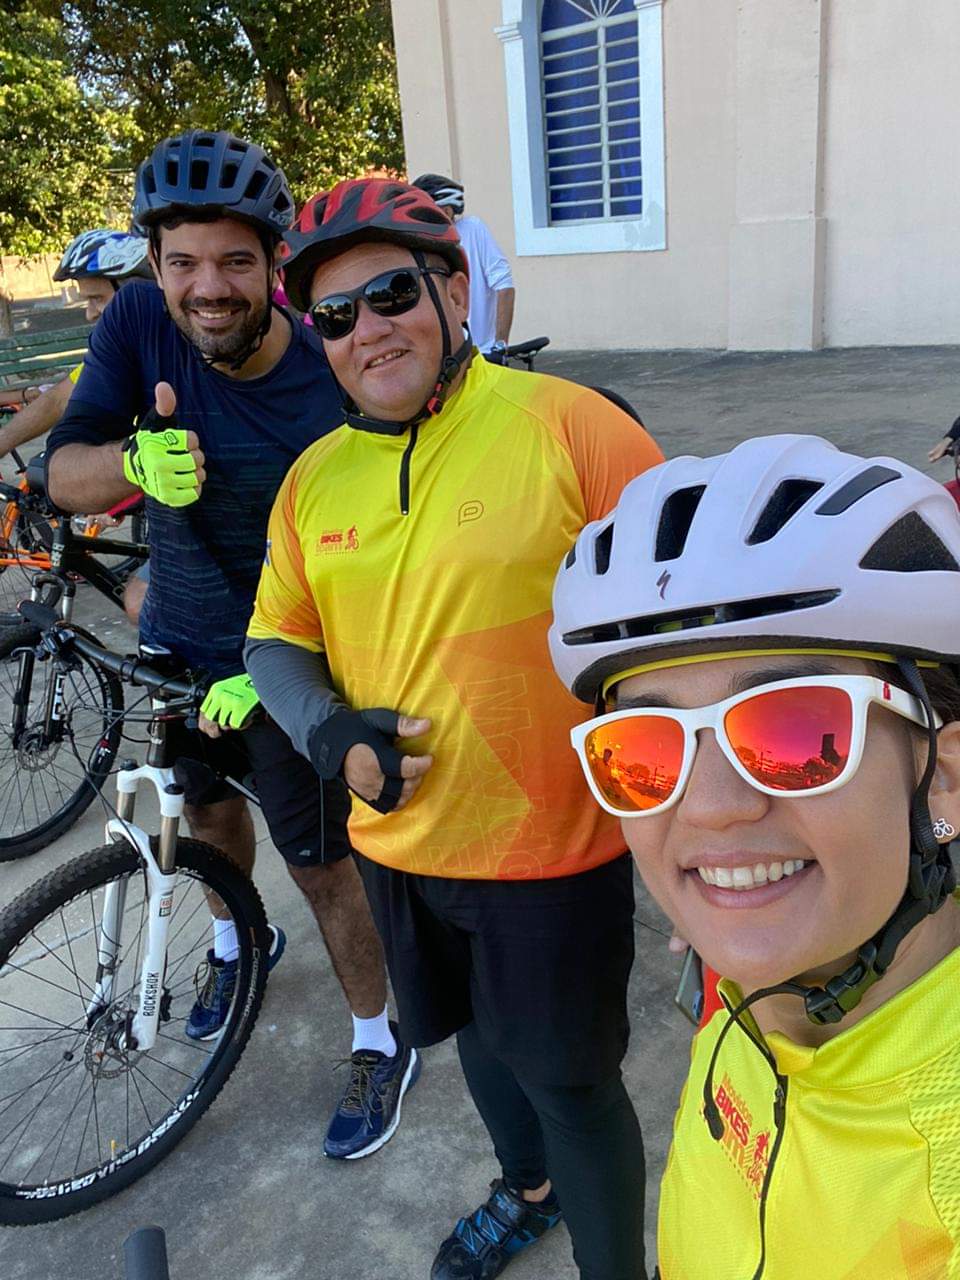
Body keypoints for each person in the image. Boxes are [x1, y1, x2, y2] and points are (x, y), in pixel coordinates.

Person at [245, 177, 664, 1280]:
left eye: (392, 293)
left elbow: (687, 619)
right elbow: (273, 641)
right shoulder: (312, 479)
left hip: (554, 852)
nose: (368, 329)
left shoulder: (572, 426)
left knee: (572, 1084)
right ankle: (527, 1193)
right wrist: (330, 733)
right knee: (474, 1037)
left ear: (455, 291)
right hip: (403, 847)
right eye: (336, 314)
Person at [45, 132, 414, 1161]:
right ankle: (235, 938)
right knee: (202, 819)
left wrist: (280, 671)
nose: (208, 288)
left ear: (274, 263)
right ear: (155, 263)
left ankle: (379, 1037)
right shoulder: (137, 322)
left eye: (235, 261)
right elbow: (64, 473)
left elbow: (380, 555)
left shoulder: (330, 373)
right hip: (178, 643)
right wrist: (132, 460)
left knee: (324, 866)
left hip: (291, 660)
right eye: (184, 262)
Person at [549, 433, 960, 1279]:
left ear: (943, 779)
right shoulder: (751, 983)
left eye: (796, 732)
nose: (709, 808)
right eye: (644, 748)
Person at [0, 230, 154, 460]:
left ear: (136, 289)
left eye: (97, 298)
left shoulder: (178, 347)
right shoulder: (119, 352)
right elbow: (57, 399)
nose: (90, 314)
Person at [412, 173, 515, 358]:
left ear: (448, 211)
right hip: (443, 356)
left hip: (482, 352)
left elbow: (504, 287)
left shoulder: (472, 229)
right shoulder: (419, 240)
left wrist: (500, 344)